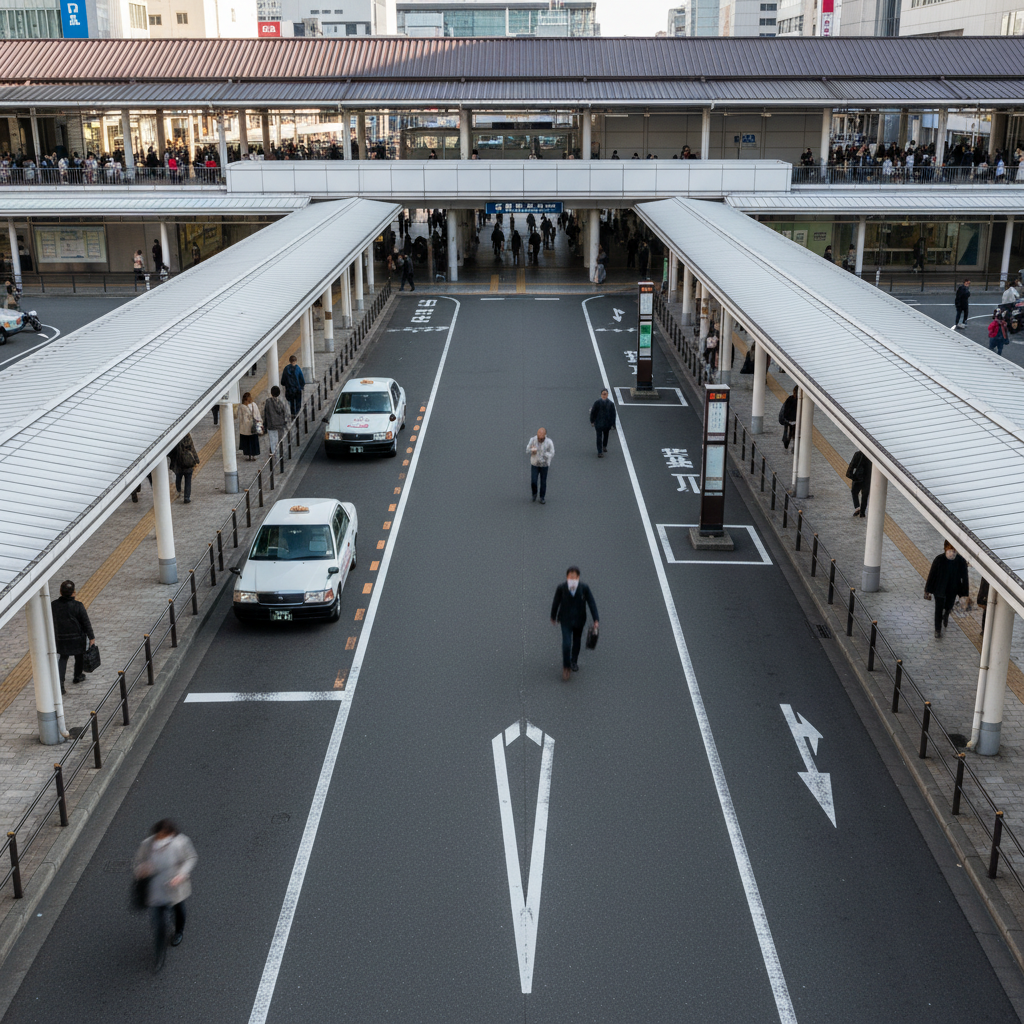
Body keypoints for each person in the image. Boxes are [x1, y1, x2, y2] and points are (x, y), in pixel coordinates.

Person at [134, 819, 197, 971]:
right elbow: (138, 862)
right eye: (161, 835)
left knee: (178, 909)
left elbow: (191, 858)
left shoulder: (181, 842)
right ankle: (159, 951)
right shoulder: (148, 844)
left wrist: (181, 875)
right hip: (155, 888)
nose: (163, 839)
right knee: (158, 921)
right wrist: (142, 869)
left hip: (174, 885)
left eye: (166, 836)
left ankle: (179, 931)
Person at [550, 566, 599, 681]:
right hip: (565, 620)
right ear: (567, 577)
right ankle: (566, 666)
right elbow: (556, 602)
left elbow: (591, 603)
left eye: (574, 577)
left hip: (579, 620)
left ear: (578, 577)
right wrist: (553, 616)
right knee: (566, 644)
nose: (572, 579)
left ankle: (574, 661)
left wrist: (596, 619)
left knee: (577, 641)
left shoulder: (584, 588)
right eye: (569, 577)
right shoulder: (561, 588)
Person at [50, 580, 96, 694]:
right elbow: (86, 622)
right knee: (79, 656)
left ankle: (60, 685)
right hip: (77, 638)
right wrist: (91, 637)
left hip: (61, 638)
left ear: (61, 592)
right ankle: (77, 676)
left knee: (63, 658)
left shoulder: (54, 605)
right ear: (73, 593)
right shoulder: (78, 606)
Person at [924, 541, 970, 639]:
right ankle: (937, 629)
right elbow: (932, 575)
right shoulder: (939, 560)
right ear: (945, 550)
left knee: (949, 605)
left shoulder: (960, 561)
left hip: (952, 590)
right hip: (939, 589)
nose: (952, 553)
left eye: (954, 551)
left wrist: (964, 594)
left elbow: (965, 578)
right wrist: (928, 590)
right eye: (950, 551)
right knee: (938, 610)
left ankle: (946, 613)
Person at [168, 433, 198, 504]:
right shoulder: (187, 436)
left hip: (178, 463)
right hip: (188, 462)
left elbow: (171, 452)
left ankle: (178, 490)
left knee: (178, 477)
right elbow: (192, 448)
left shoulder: (175, 438)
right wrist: (196, 460)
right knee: (188, 480)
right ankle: (187, 497)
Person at [526, 427, 554, 504]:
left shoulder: (549, 442)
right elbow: (527, 450)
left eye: (541, 435)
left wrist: (545, 455)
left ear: (545, 435)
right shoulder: (533, 440)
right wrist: (532, 450)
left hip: (544, 465)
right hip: (535, 464)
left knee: (543, 481)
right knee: (534, 481)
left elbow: (552, 453)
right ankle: (534, 493)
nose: (540, 437)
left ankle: (542, 497)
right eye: (539, 434)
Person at [590, 388, 616, 457]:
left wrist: (613, 423)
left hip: (606, 423)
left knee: (606, 435)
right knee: (599, 437)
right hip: (599, 423)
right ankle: (600, 451)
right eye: (603, 394)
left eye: (605, 394)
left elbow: (613, 414)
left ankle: (604, 445)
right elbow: (593, 412)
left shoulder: (611, 404)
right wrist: (592, 421)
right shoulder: (597, 403)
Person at [237, 391, 262, 461]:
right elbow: (258, 415)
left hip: (245, 429)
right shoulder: (254, 405)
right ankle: (254, 455)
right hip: (254, 426)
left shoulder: (242, 407)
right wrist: (259, 424)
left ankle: (249, 456)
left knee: (247, 442)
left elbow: (241, 418)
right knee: (254, 441)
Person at [263, 385, 288, 455]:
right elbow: (284, 413)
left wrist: (265, 424)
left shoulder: (268, 402)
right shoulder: (280, 403)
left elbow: (265, 413)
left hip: (271, 425)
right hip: (280, 425)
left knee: (272, 440)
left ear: (271, 393)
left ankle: (273, 454)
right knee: (280, 440)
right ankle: (280, 453)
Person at [846, 450, 871, 517]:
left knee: (854, 491)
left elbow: (852, 464)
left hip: (858, 477)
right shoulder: (872, 456)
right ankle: (862, 512)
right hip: (868, 478)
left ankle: (857, 507)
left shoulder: (858, 454)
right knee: (865, 495)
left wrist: (851, 475)